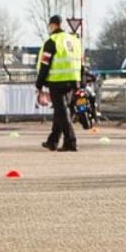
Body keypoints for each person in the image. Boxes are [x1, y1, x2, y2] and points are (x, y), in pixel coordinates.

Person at [34, 15, 83, 152]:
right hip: (73, 79)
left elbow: (45, 64)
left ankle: (70, 142)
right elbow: (81, 62)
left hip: (57, 81)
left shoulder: (52, 41)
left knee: (61, 112)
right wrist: (81, 81)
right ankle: (53, 141)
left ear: (53, 25)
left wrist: (39, 82)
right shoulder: (74, 40)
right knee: (60, 111)